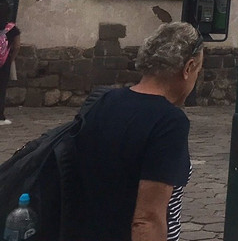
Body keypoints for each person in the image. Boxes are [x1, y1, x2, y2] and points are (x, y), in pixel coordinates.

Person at [74, 21, 203, 241]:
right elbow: (147, 219)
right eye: (198, 70)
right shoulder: (169, 122)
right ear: (188, 68)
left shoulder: (103, 100)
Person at [0, 3, 20, 126]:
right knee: (1, 88)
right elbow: (17, 46)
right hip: (4, 62)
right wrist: (11, 58)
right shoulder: (12, 29)